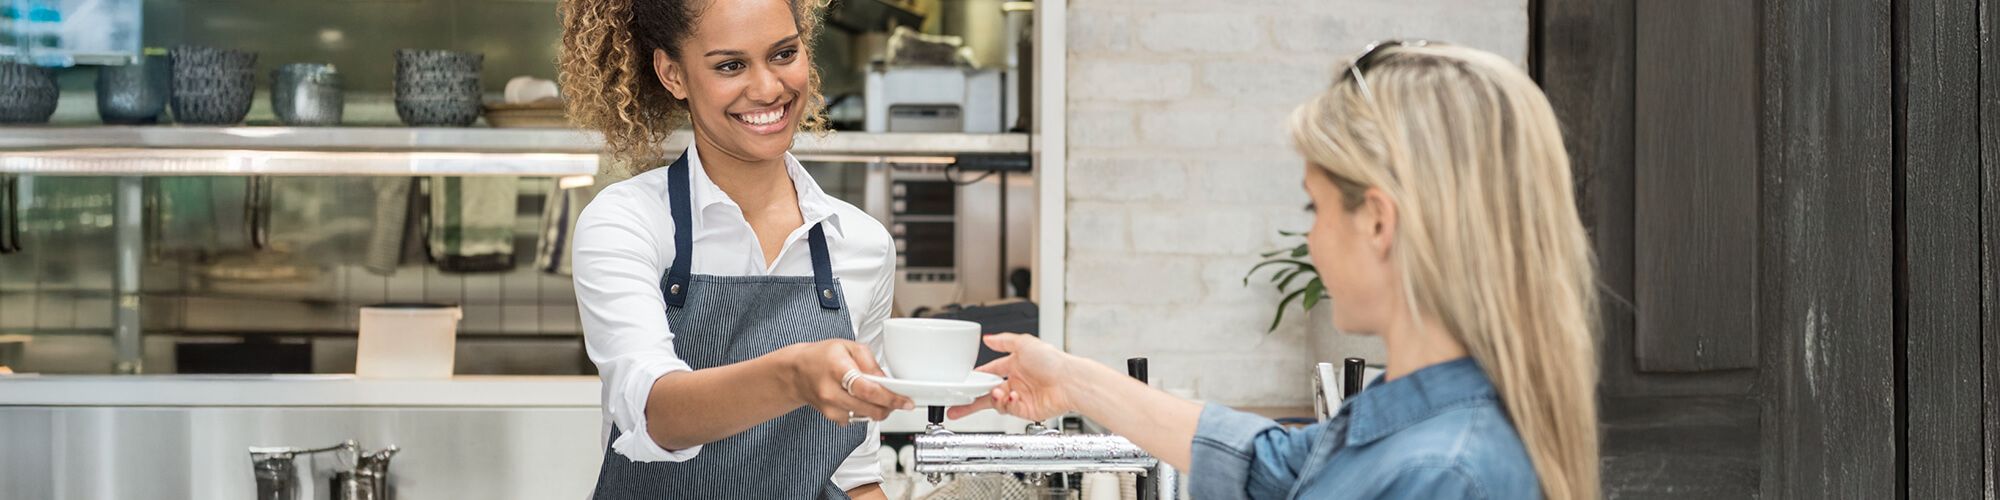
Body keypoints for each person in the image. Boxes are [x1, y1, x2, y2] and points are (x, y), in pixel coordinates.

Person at [949, 41, 1601, 500]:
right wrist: (1069, 378)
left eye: (1313, 207)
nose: (1311, 237)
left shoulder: (1441, 473)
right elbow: (1269, 464)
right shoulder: (1413, 419)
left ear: (1378, 222)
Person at [558, 0, 911, 498]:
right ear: (672, 74)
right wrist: (795, 376)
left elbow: (854, 474)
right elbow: (655, 412)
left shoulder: (861, 244)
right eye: (730, 65)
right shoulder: (628, 221)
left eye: (784, 54)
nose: (768, 88)